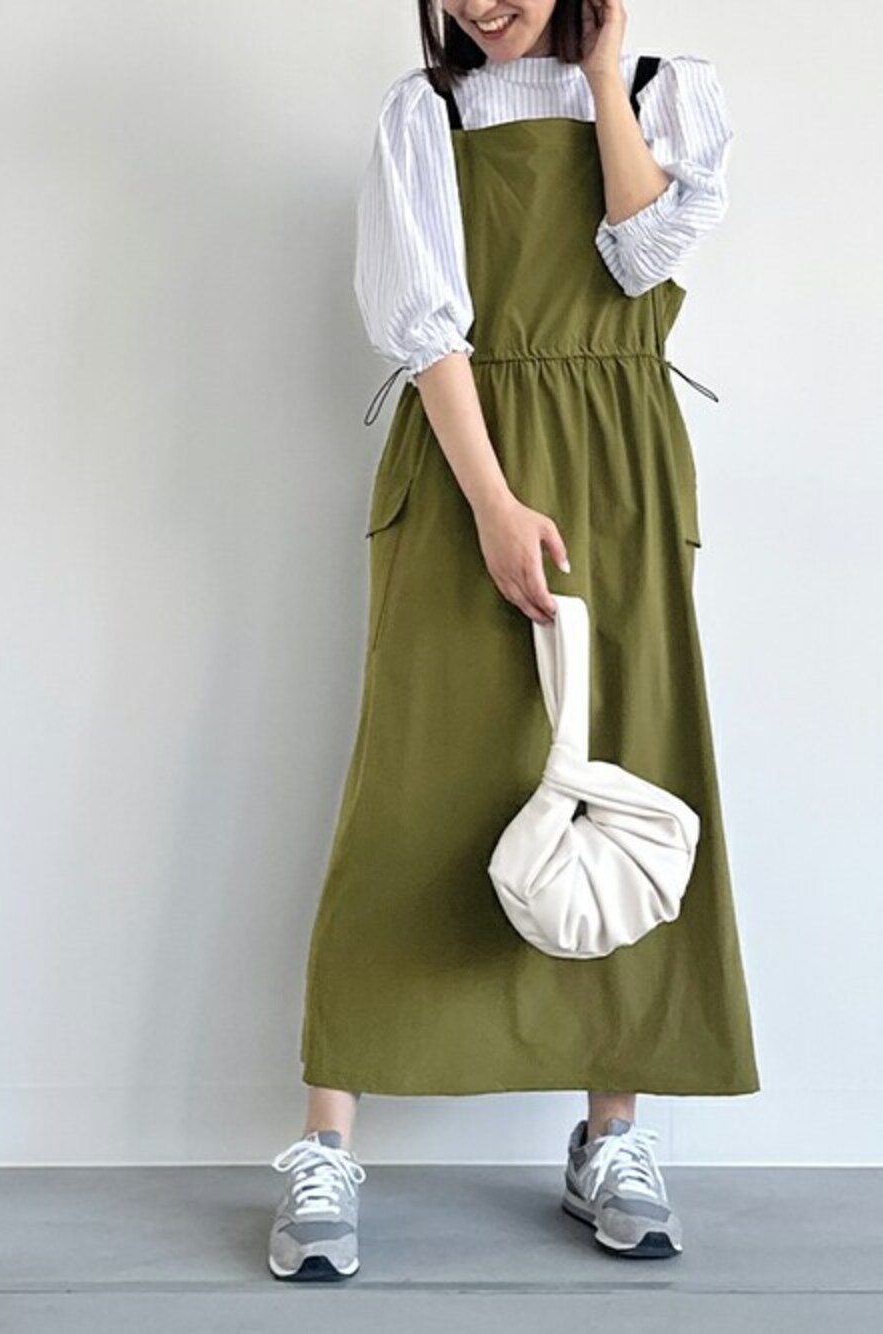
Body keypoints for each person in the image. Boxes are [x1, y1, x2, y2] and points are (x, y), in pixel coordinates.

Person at [268, 0, 760, 1282]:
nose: (480, 2)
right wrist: (490, 502)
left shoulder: (660, 90)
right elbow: (425, 322)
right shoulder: (423, 111)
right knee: (415, 781)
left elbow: (644, 258)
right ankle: (326, 1142)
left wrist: (600, 76)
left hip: (624, 459)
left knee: (626, 772)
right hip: (465, 459)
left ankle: (612, 1134)